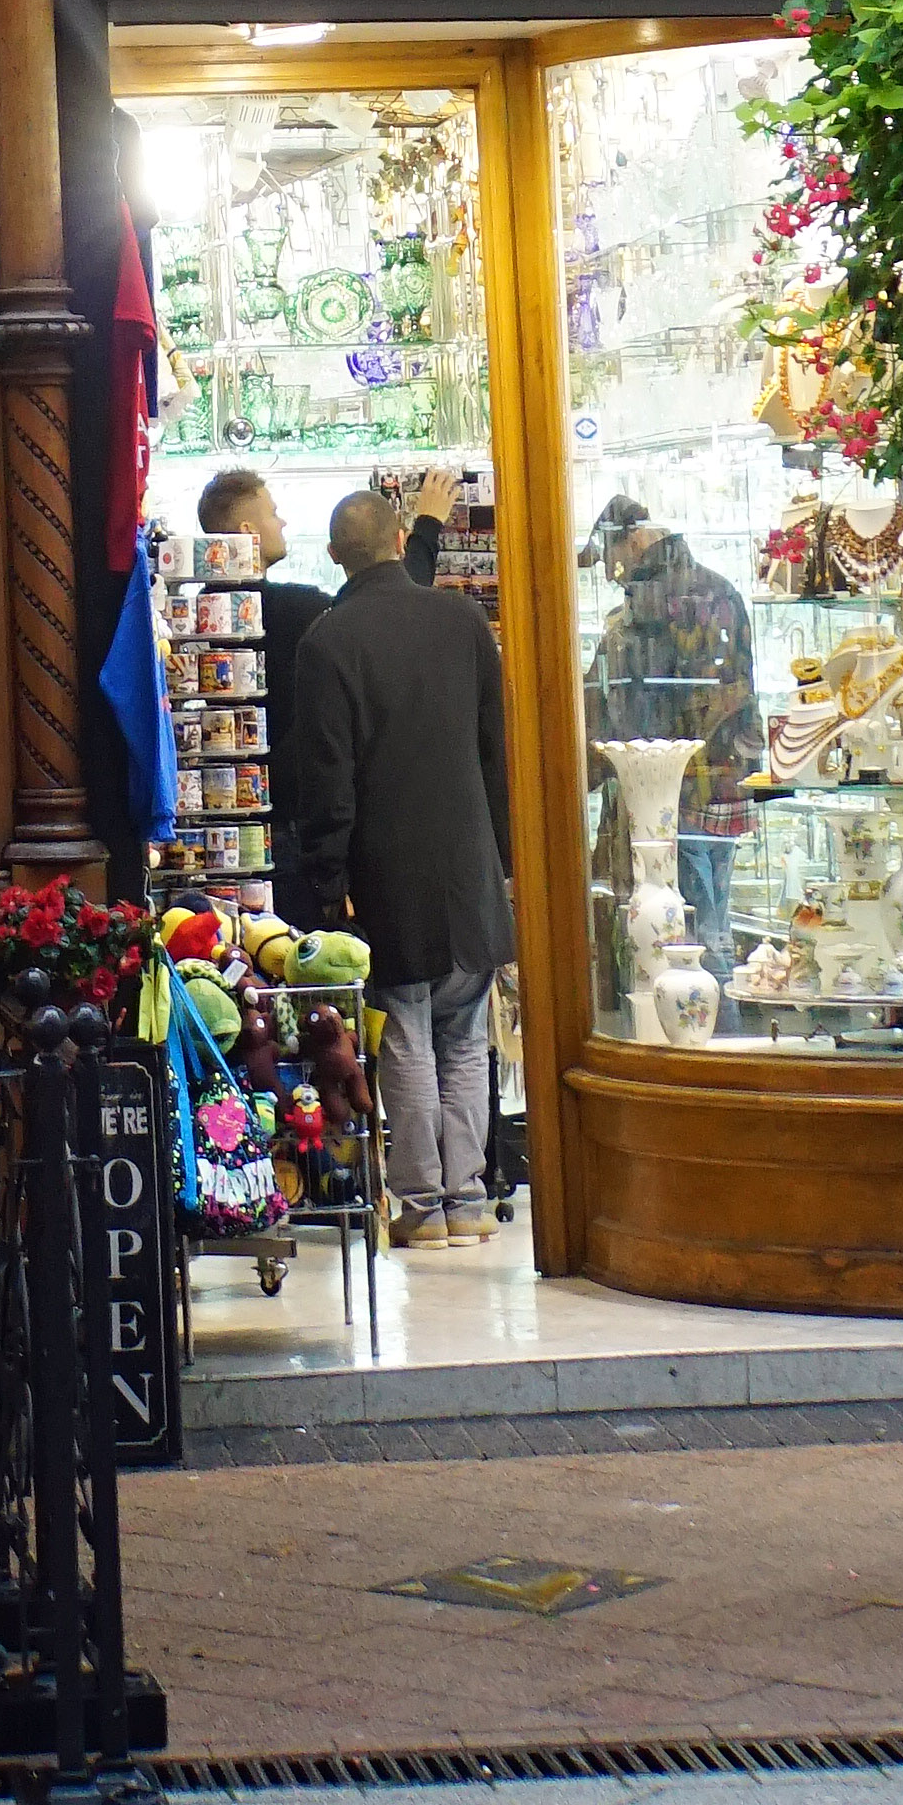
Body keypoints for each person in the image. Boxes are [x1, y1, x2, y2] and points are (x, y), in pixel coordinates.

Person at [290, 484, 516, 1254]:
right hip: (470, 866)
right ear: (398, 540)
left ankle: (421, 1207)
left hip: (386, 873)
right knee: (466, 1037)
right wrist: (503, 860)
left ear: (334, 556)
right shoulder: (462, 621)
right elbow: (494, 752)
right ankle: (469, 1200)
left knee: (408, 1035)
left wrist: (328, 888)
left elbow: (328, 782)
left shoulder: (327, 642)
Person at [584, 496, 762, 979]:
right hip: (724, 783)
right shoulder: (714, 588)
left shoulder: (654, 602)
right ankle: (717, 1016)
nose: (610, 573)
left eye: (608, 556)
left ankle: (710, 1022)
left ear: (633, 540)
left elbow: (640, 704)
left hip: (676, 790)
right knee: (711, 927)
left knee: (689, 939)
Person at [196, 468, 326, 904]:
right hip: (284, 822)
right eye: (273, 512)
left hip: (215, 818)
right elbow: (375, 611)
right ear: (248, 531)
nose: (282, 522)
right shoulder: (301, 610)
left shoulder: (194, 615)